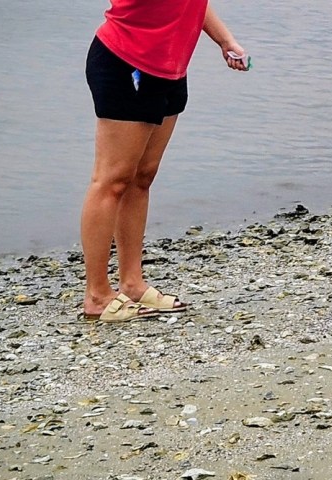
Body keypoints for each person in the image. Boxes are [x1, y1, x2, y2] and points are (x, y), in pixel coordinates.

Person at [81, 0, 248, 322]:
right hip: (126, 63)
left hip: (170, 69)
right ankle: (97, 294)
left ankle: (132, 282)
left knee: (141, 177)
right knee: (112, 180)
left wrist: (225, 41)